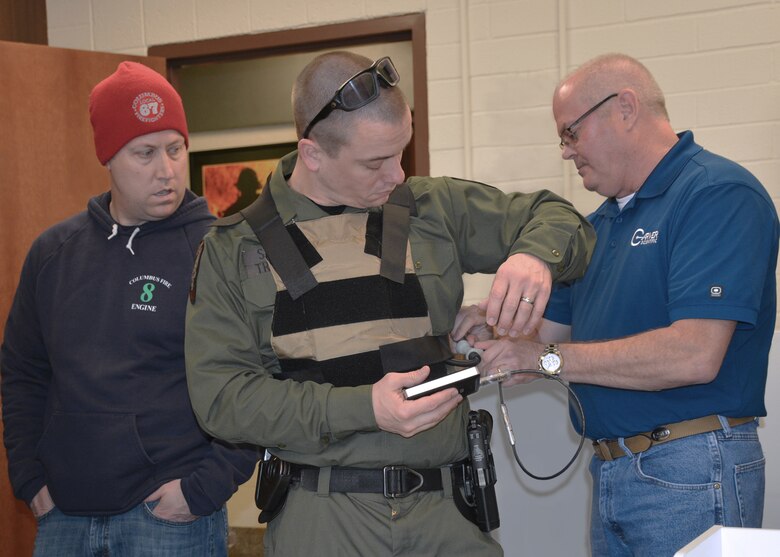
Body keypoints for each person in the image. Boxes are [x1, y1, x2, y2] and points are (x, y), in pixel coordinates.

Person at [184, 51, 595, 556]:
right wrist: (364, 408)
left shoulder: (432, 208)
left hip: (447, 514)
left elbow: (561, 219)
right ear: (312, 155)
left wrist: (533, 259)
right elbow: (222, 401)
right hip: (323, 519)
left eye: (402, 152)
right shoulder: (235, 248)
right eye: (375, 162)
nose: (398, 175)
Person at [456, 53, 779, 556]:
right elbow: (545, 337)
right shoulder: (595, 229)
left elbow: (694, 353)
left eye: (571, 133)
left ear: (624, 109)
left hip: (694, 466)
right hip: (612, 468)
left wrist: (543, 360)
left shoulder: (717, 194)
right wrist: (491, 322)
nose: (566, 152)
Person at [0, 61, 258, 556]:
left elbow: (259, 376)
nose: (166, 170)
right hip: (63, 517)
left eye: (175, 149)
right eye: (145, 153)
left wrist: (204, 486)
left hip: (170, 517)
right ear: (108, 158)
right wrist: (29, 477)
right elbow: (23, 371)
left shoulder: (222, 251)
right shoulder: (53, 253)